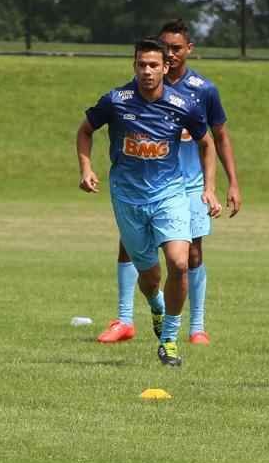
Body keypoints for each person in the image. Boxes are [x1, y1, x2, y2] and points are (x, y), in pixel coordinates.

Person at [77, 38, 221, 366]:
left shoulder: (182, 104)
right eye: (141, 64)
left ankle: (169, 340)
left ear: (165, 67)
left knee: (180, 262)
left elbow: (207, 143)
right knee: (150, 276)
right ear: (134, 66)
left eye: (154, 65)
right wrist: (86, 167)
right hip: (127, 197)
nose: (147, 71)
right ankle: (156, 306)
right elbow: (85, 130)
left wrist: (210, 188)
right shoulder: (116, 101)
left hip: (169, 194)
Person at [96, 19, 241, 346]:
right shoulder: (132, 94)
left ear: (189, 50)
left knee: (189, 255)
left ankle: (196, 326)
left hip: (187, 185)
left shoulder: (202, 91)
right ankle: (125, 319)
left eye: (177, 49)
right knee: (129, 244)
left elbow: (218, 138)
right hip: (140, 184)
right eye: (166, 49)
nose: (171, 55)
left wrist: (229, 183)